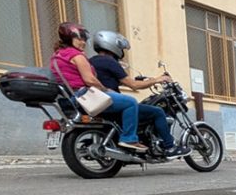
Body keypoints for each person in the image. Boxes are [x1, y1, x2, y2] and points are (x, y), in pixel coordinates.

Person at [87, 30, 189, 157]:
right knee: (157, 112)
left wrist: (146, 80)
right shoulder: (110, 62)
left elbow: (111, 81)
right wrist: (158, 79)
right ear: (112, 45)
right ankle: (169, 147)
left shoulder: (90, 61)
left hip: (98, 104)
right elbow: (133, 85)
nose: (122, 51)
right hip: (112, 105)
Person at [49, 22, 147, 152]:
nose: (83, 42)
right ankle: (129, 139)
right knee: (130, 102)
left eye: (84, 39)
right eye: (79, 38)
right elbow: (89, 80)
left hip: (68, 99)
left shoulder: (57, 56)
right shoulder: (77, 55)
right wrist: (105, 89)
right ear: (69, 38)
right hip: (84, 96)